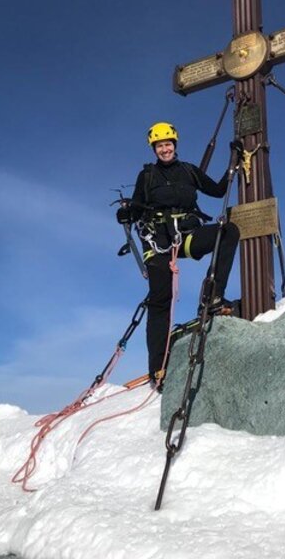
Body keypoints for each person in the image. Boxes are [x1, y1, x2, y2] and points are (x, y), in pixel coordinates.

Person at [116, 121, 240, 391]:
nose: (165, 149)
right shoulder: (147, 176)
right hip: (157, 241)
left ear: (175, 145)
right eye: (159, 146)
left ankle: (213, 296)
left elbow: (218, 190)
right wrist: (126, 213)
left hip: (185, 236)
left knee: (228, 232)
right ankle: (158, 369)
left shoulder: (189, 171)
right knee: (161, 300)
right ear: (154, 149)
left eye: (168, 144)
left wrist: (235, 160)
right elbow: (137, 207)